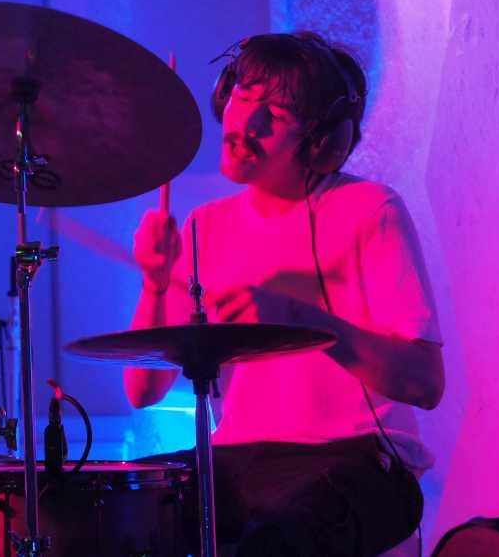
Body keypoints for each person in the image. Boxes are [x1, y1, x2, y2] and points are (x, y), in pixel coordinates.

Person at [125, 32, 444, 556]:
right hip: (239, 462)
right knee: (110, 508)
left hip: (361, 462)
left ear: (322, 143)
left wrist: (300, 319)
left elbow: (425, 383)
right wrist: (155, 283)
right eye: (242, 96)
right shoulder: (206, 226)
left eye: (274, 113)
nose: (246, 123)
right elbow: (142, 390)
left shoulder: (371, 210)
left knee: (278, 538)